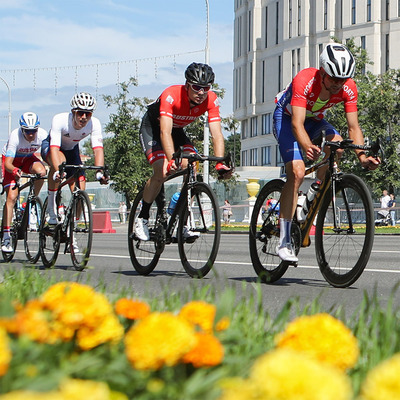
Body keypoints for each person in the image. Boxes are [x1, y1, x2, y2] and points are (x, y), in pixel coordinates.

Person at [273, 43, 380, 262]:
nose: (338, 85)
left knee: (339, 144)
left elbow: (353, 127)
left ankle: (312, 194)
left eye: (343, 80)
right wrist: (306, 147)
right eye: (333, 79)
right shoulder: (305, 79)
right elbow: (296, 124)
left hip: (315, 120)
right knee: (297, 170)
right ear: (323, 72)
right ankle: (283, 239)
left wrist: (362, 157)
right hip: (287, 118)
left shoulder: (348, 88)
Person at [135, 62, 232, 240]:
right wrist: (171, 159)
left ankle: (183, 219)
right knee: (162, 170)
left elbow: (217, 134)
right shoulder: (171, 95)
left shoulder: (211, 99)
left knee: (190, 165)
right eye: (196, 87)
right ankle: (142, 217)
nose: (201, 92)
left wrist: (219, 163)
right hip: (154, 129)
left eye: (206, 88)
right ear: (187, 85)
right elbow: (164, 132)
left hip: (177, 131)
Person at [41, 92, 109, 250]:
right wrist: (59, 170)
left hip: (72, 150)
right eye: (80, 113)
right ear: (73, 112)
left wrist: (99, 173)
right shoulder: (60, 120)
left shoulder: (95, 124)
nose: (84, 117)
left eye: (88, 113)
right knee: (60, 163)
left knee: (80, 190)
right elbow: (54, 147)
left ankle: (72, 232)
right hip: (52, 147)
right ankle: (51, 208)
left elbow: (98, 150)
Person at [1, 112, 48, 252]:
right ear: (22, 129)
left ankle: (32, 201)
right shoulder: (15, 136)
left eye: (34, 131)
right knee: (12, 197)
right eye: (28, 131)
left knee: (42, 172)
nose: (31, 134)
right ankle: (6, 236)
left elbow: (50, 153)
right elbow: (8, 163)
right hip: (11, 162)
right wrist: (15, 171)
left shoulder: (43, 135)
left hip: (27, 159)